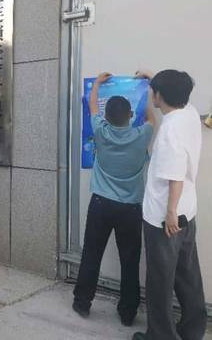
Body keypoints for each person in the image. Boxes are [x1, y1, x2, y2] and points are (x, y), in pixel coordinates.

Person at [73, 72, 155, 326]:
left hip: (101, 205)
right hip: (130, 209)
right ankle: (128, 313)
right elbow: (152, 117)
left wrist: (97, 83)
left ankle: (82, 303)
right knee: (130, 261)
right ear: (131, 115)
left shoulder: (100, 131)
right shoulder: (142, 135)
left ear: (106, 117)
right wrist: (148, 83)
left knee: (91, 253)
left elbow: (92, 106)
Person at [132, 70, 207, 340]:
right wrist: (153, 77)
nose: (151, 94)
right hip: (188, 212)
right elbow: (175, 91)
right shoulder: (188, 112)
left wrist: (170, 212)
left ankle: (161, 336)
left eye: (154, 90)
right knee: (188, 276)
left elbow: (174, 176)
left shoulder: (169, 131)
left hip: (165, 221)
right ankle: (193, 330)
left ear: (160, 96)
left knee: (160, 281)